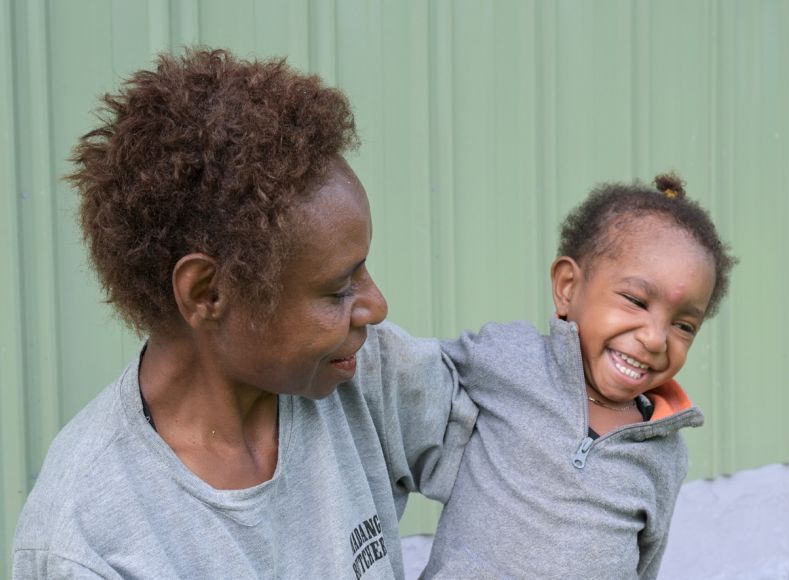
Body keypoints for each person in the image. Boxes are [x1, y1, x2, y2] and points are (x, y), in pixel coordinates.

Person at [12, 49, 476, 579]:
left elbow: (535, 447)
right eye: (336, 289)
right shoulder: (90, 541)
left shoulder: (368, 373)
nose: (375, 306)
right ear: (207, 292)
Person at [423, 175, 737, 579]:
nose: (656, 339)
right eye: (636, 301)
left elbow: (644, 568)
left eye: (684, 326)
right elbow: (402, 379)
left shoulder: (664, 453)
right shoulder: (507, 359)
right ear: (568, 287)